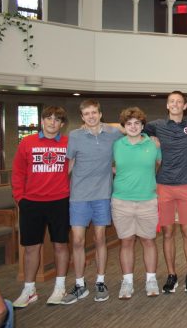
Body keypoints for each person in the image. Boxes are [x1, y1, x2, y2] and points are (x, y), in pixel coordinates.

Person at [61, 99, 123, 304]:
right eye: (86, 114)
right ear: (82, 117)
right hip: (79, 196)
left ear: (100, 113)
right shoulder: (75, 135)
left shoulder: (112, 133)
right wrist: (60, 191)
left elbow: (129, 127)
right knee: (77, 240)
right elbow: (68, 165)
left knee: (100, 239)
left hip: (102, 195)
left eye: (94, 112)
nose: (91, 116)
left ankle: (100, 281)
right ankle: (80, 284)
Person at [143, 91, 187, 293]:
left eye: (179, 101)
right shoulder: (156, 125)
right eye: (171, 101)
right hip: (164, 186)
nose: (175, 104)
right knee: (168, 233)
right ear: (167, 105)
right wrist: (149, 136)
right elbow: (130, 127)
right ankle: (171, 274)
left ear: (185, 105)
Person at [11, 106, 70, 308]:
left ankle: (59, 287)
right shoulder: (27, 142)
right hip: (31, 203)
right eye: (48, 118)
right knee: (31, 248)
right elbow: (18, 172)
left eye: (56, 119)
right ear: (41, 121)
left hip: (60, 201)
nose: (52, 122)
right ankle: (29, 290)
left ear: (62, 124)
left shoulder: (68, 142)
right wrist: (21, 198)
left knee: (60, 245)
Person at [112, 107, 162, 299]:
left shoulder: (153, 145)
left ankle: (151, 280)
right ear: (124, 127)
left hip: (148, 200)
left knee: (148, 241)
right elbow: (110, 166)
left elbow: (159, 164)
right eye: (129, 123)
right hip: (121, 201)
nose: (133, 127)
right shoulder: (117, 145)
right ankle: (127, 282)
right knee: (126, 242)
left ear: (142, 126)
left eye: (137, 123)